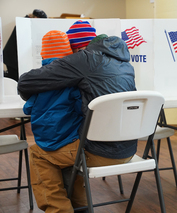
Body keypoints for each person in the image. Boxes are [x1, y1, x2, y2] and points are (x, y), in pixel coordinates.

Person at [18, 30, 137, 212]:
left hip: (100, 152)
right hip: (129, 150)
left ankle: (60, 210)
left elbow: (26, 82)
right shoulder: (126, 65)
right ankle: (80, 208)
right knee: (72, 150)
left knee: (39, 154)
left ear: (82, 47)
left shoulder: (86, 59)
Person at [3, 9, 47, 82]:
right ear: (34, 17)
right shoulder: (23, 25)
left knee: (16, 78)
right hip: (12, 58)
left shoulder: (24, 23)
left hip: (12, 56)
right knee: (15, 79)